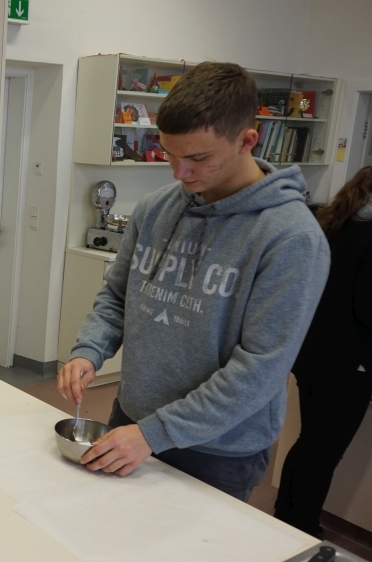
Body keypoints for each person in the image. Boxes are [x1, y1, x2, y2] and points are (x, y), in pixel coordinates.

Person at [57, 62, 331, 501]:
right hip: (130, 421)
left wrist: (155, 433)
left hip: (217, 451)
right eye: (169, 153)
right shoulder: (155, 208)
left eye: (199, 158)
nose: (179, 173)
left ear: (247, 141)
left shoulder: (291, 238)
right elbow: (118, 296)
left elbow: (259, 369)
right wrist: (89, 350)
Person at [274, 166, 372, 537]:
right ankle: (301, 527)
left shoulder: (332, 225)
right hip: (349, 364)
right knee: (324, 451)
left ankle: (286, 516)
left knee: (309, 442)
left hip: (311, 353)